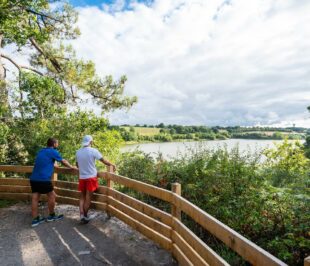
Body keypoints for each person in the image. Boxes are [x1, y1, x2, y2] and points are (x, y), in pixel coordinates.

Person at [30, 138, 77, 227]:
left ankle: (35, 219)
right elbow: (63, 161)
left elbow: (45, 162)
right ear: (54, 144)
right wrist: (71, 167)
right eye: (57, 143)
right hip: (43, 179)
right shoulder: (53, 151)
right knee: (52, 196)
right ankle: (51, 215)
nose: (57, 145)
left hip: (33, 178)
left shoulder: (41, 151)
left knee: (35, 198)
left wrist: (53, 164)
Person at [76, 135, 116, 223]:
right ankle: (85, 217)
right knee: (88, 197)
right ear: (90, 142)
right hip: (91, 178)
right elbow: (104, 161)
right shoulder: (93, 151)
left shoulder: (78, 152)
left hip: (82, 177)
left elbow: (77, 165)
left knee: (82, 197)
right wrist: (112, 165)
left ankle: (82, 214)